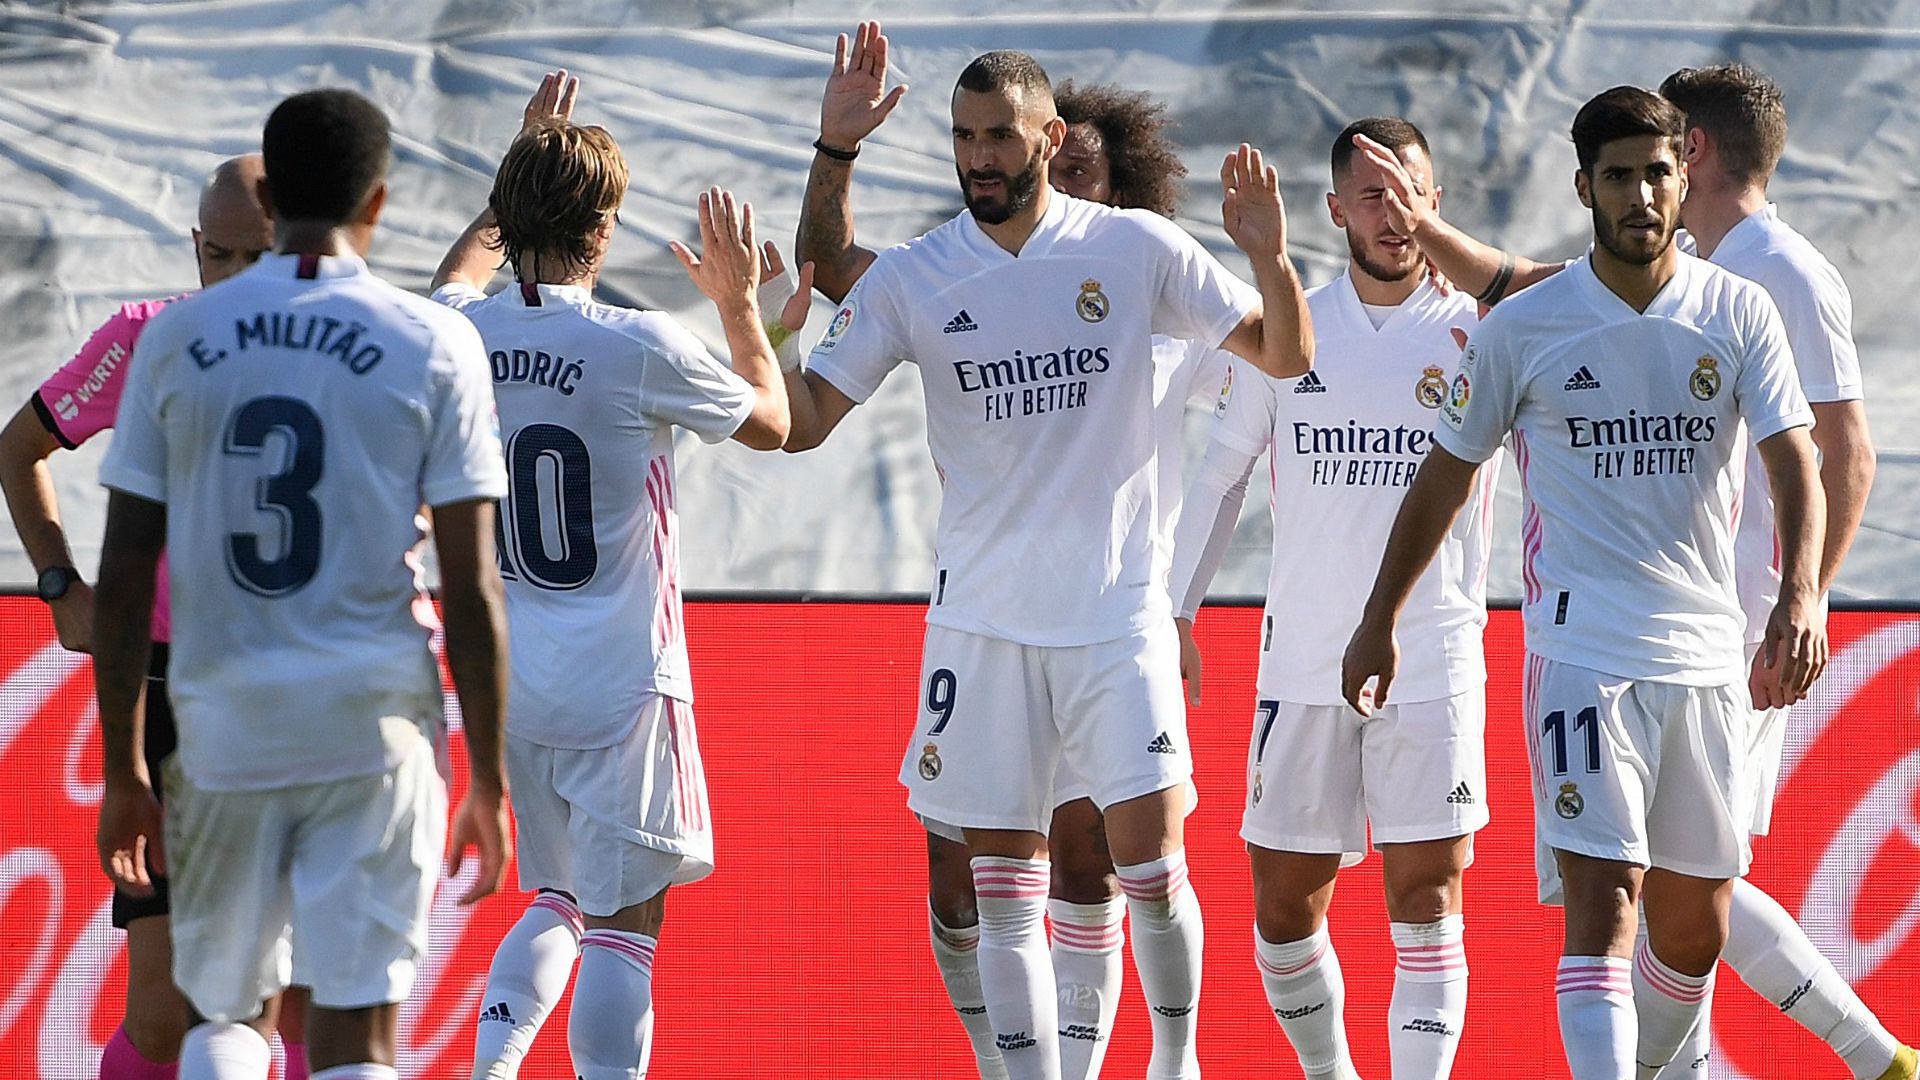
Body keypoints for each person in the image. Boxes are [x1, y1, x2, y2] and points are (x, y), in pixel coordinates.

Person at [1353, 65, 1911, 1080]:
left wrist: (1800, 597)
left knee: (1694, 924)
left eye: (1658, 172)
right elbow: (1443, 474)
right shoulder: (1527, 326)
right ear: (1587, 188)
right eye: (1620, 176)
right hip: (1582, 652)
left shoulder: (1741, 308)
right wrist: (1378, 614)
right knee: (1606, 901)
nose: (1643, 195)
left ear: (1681, 170)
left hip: (1709, 650)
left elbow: (1802, 458)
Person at [782, 39, 1312, 1080]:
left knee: (1148, 870)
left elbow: (1286, 357)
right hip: (981, 624)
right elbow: (801, 422)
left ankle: (1174, 1060)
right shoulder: (921, 275)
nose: (980, 159)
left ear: (1050, 138)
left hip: (1116, 619)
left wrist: (1271, 256)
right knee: (999, 887)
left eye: (1000, 137)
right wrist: (763, 315)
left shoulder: (1136, 250)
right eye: (964, 139)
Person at [90, 88, 512, 1080]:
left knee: (228, 1017)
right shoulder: (435, 342)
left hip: (222, 720)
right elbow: (471, 586)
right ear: (379, 201)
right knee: (351, 1030)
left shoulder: (178, 338)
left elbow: (121, 572)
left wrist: (123, 769)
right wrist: (488, 778)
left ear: (269, 197)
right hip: (372, 723)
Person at [431, 71, 794, 1080]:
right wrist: (738, 307)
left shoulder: (461, 331)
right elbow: (777, 425)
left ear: (511, 208)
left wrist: (510, 185)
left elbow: (457, 274)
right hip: (624, 684)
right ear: (605, 229)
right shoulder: (637, 345)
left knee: (553, 896)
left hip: (513, 680)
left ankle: (492, 1068)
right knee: (626, 923)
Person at [1169, 117, 1490, 1080]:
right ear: (1336, 209)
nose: (1395, 215)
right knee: (1281, 913)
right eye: (1374, 196)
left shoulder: (1485, 329)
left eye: (1411, 193)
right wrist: (1177, 612)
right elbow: (1221, 477)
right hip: (1305, 660)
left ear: (1436, 200)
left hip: (1433, 656)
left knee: (1426, 899)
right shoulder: (1290, 329)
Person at [0, 155, 320, 1080]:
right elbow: (18, 449)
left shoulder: (348, 346)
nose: (223, 277)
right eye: (210, 254)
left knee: (308, 1003)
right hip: (174, 695)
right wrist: (62, 586)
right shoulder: (142, 338)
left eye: (247, 258)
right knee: (161, 1013)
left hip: (310, 693)